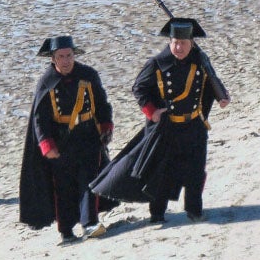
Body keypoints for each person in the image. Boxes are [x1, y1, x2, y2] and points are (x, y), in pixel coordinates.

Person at [89, 14, 230, 224]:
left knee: (195, 171)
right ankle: (157, 213)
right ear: (169, 42)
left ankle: (194, 209)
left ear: (191, 43)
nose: (179, 48)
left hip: (194, 125)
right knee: (162, 172)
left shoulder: (200, 62)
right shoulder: (156, 63)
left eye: (183, 43)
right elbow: (139, 88)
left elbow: (211, 82)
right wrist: (152, 112)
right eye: (175, 43)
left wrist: (222, 97)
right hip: (167, 127)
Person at [18, 35, 117, 243]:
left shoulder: (89, 75)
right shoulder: (46, 81)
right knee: (64, 187)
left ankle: (90, 223)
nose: (66, 60)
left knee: (90, 181)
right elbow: (40, 118)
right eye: (61, 56)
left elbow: (102, 104)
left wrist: (106, 126)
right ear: (53, 58)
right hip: (61, 141)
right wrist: (46, 144)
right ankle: (66, 230)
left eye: (69, 55)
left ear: (74, 55)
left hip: (89, 136)